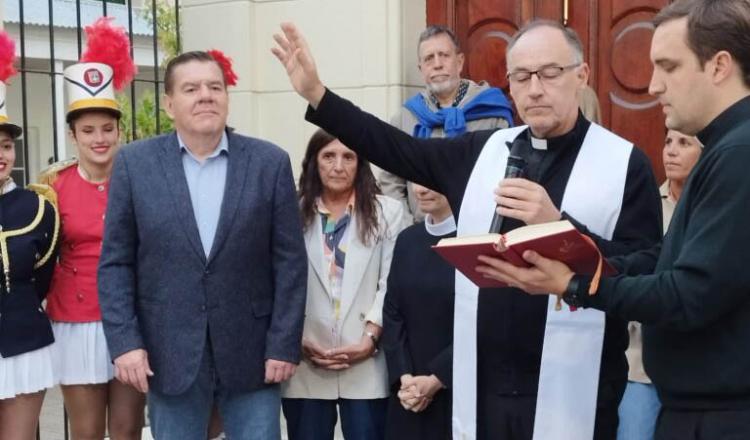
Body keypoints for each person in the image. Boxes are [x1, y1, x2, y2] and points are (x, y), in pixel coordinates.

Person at [272, 18, 661, 440]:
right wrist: (318, 95)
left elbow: (643, 271)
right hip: (485, 388)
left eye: (549, 73)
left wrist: (559, 225)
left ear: (581, 75)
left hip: (578, 384)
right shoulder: (485, 151)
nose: (534, 89)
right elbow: (396, 148)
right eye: (521, 76)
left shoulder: (624, 164)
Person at [473, 1, 750, 438]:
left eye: (668, 66)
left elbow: (686, 293)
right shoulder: (727, 148)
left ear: (718, 66)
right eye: (520, 77)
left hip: (721, 417)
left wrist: (571, 285)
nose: (653, 86)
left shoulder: (738, 153)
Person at [98, 50, 307, 440]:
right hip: (168, 353)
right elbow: (115, 263)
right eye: (191, 88)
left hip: (254, 355)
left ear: (227, 97)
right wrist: (125, 343)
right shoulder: (134, 164)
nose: (205, 96)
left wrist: (283, 343)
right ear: (169, 103)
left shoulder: (269, 163)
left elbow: (290, 262)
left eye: (215, 87)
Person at [39, 17, 145, 440]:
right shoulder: (52, 186)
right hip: (75, 320)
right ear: (72, 135)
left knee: (127, 429)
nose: (99, 138)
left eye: (107, 128)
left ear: (119, 130)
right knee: (85, 432)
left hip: (130, 317)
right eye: (88, 131)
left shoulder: (140, 180)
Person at [281, 129, 403, 440]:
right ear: (314, 163)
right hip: (308, 358)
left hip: (366, 358)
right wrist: (296, 339)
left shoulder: (388, 212)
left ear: (360, 163)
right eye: (328, 156)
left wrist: (371, 337)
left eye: (348, 156)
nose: (338, 166)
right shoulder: (289, 212)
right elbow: (277, 281)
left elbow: (392, 282)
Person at [380, 25, 513, 224]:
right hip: (421, 231)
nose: (437, 64)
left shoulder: (492, 113)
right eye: (429, 59)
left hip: (476, 228)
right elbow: (390, 180)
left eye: (444, 55)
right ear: (421, 69)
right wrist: (406, 227)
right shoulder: (405, 118)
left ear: (459, 62)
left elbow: (503, 177)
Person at [617, 129, 701, 440]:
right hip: (639, 363)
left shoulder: (712, 208)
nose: (671, 151)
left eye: (684, 143)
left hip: (695, 367)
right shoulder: (648, 202)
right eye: (667, 142)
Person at [0, 32, 60, 439]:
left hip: (23, 344)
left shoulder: (38, 208)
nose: (0, 155)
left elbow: (43, 278)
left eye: (5, 146)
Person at [382, 183, 456, 440]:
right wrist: (404, 377)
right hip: (408, 392)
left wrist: (437, 379)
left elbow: (484, 321)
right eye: (415, 180)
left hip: (457, 387)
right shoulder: (408, 239)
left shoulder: (476, 240)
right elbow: (392, 312)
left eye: (433, 181)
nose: (421, 190)